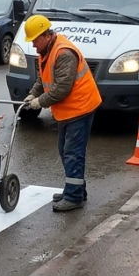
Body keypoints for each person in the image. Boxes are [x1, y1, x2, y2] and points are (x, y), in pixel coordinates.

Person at [21, 15, 103, 212]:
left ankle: (74, 197)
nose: (33, 45)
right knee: (65, 151)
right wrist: (32, 94)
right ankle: (74, 189)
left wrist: (38, 102)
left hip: (80, 108)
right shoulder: (47, 50)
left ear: (46, 35)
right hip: (68, 110)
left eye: (34, 40)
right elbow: (44, 79)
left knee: (72, 153)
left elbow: (61, 89)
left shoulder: (63, 53)